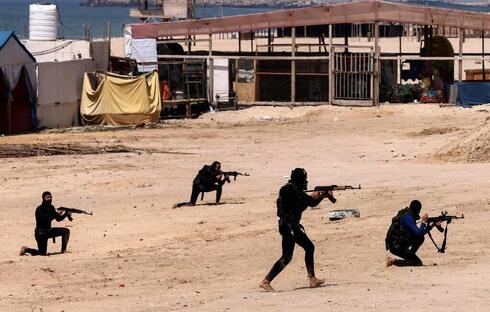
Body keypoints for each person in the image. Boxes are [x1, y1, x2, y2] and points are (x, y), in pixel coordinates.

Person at [259, 168, 328, 292]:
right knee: (287, 256)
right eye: (304, 179)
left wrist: (321, 196)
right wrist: (314, 197)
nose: (305, 182)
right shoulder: (288, 189)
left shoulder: (295, 189)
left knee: (309, 247)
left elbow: (309, 203)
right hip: (287, 227)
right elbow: (302, 204)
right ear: (299, 179)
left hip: (292, 226)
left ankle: (312, 279)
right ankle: (266, 281)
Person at [385, 200, 440, 266]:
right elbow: (418, 233)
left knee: (420, 238)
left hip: (397, 243)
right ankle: (393, 261)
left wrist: (432, 226)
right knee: (417, 262)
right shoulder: (408, 217)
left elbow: (419, 233)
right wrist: (423, 222)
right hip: (395, 245)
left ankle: (410, 255)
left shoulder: (408, 215)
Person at [20, 191, 71, 256]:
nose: (49, 199)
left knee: (66, 231)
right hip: (40, 234)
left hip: (49, 231)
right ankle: (26, 249)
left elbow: (58, 219)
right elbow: (46, 220)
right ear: (43, 198)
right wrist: (54, 214)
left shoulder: (51, 207)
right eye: (47, 197)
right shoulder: (40, 209)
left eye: (50, 197)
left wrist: (65, 214)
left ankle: (63, 250)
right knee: (42, 253)